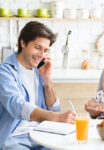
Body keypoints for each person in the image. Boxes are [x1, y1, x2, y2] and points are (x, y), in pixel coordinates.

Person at [0, 21, 76, 150]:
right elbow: (17, 106)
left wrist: (47, 81)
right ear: (23, 43)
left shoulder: (39, 71)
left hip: (42, 135)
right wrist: (58, 118)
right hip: (14, 138)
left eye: (45, 50)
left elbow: (53, 110)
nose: (41, 54)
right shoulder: (5, 71)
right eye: (37, 47)